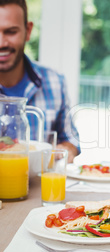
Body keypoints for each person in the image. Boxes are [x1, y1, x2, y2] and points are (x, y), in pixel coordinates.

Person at [0, 0, 79, 162]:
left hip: (39, 184)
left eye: (11, 32)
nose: (2, 43)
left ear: (28, 31)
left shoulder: (54, 81)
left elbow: (71, 139)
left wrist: (66, 149)